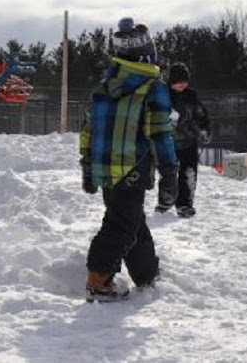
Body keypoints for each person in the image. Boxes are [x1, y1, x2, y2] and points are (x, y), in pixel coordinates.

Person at [80, 17, 178, 302]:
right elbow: (160, 133)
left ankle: (146, 273)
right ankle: (98, 281)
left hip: (105, 168)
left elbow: (88, 129)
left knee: (132, 219)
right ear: (147, 53)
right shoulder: (152, 87)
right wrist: (170, 170)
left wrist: (87, 165)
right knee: (121, 224)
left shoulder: (105, 87)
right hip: (133, 166)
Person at [155, 63, 211, 218]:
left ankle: (185, 204)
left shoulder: (191, 96)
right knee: (169, 173)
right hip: (168, 142)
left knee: (189, 174)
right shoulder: (163, 95)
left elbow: (201, 115)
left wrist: (204, 130)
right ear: (171, 81)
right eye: (178, 82)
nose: (181, 85)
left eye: (184, 81)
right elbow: (155, 114)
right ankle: (165, 202)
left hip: (189, 142)